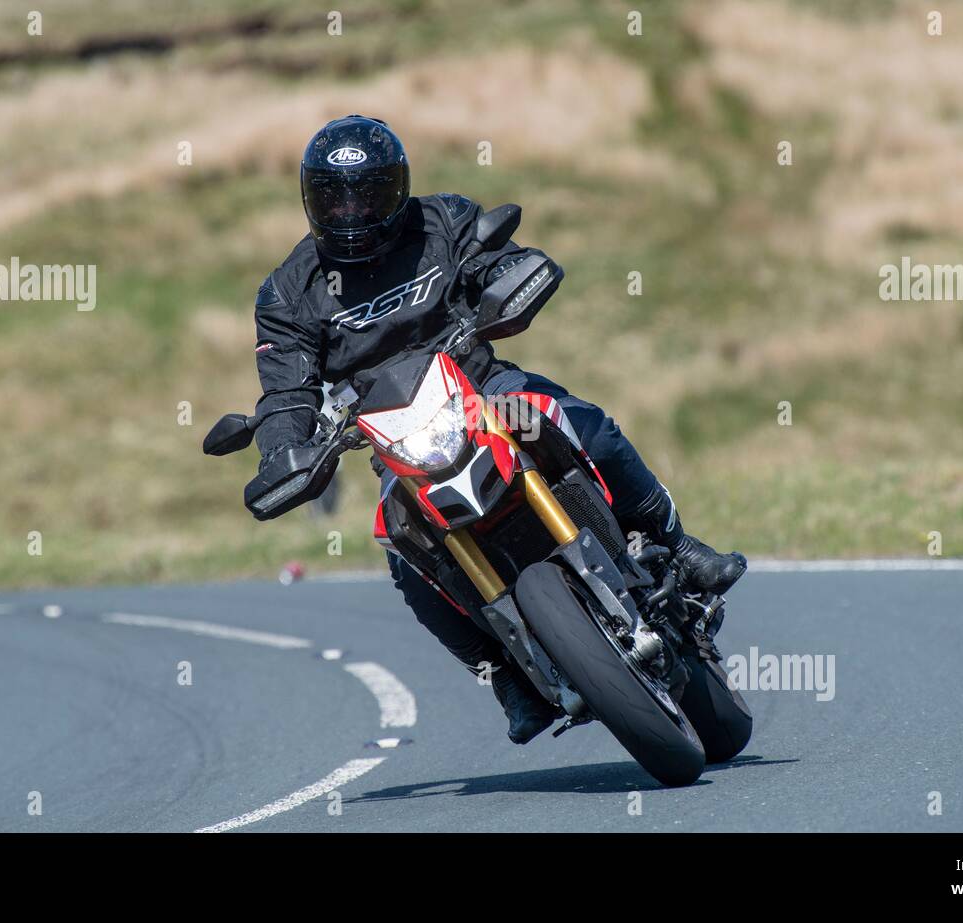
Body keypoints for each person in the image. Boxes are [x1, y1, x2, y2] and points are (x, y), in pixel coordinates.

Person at [252, 115, 746, 744]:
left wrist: (512, 280)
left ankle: (677, 544)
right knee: (403, 554)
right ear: (310, 200)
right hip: (396, 442)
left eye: (368, 192)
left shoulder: (444, 221)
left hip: (486, 389)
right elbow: (284, 393)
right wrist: (283, 450)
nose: (352, 209)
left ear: (397, 188)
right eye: (335, 195)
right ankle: (504, 677)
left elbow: (497, 260)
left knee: (580, 425)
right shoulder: (289, 292)